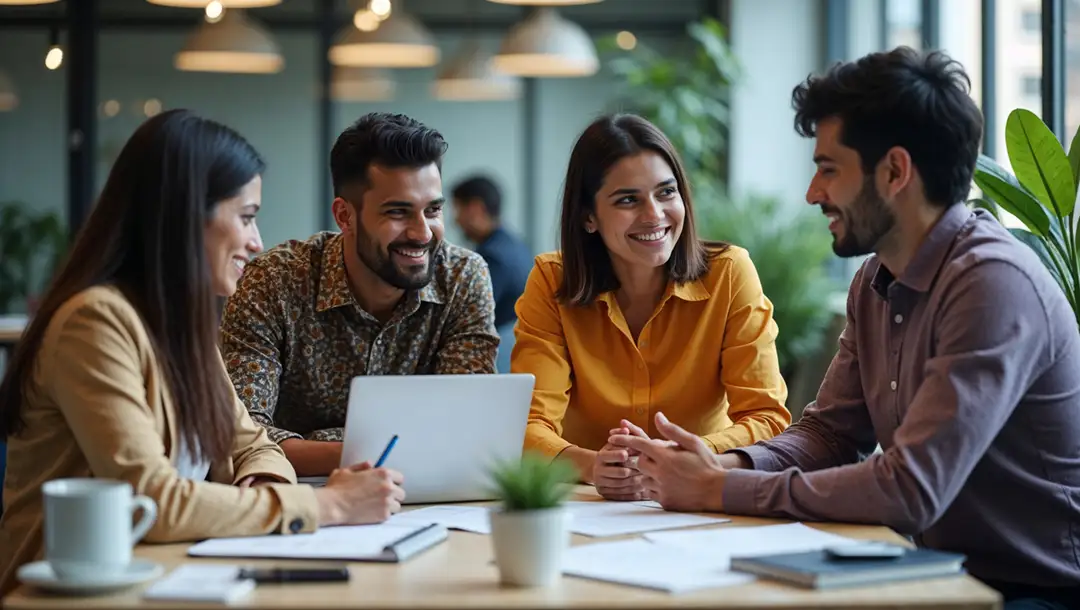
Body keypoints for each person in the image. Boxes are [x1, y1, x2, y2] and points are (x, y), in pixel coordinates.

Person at [610, 47, 1080, 609]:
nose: (813, 193)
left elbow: (910, 490)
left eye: (828, 168)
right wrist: (725, 463)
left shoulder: (992, 285)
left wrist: (719, 489)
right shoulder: (876, 279)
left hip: (1035, 592)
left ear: (895, 171)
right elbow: (830, 435)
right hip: (934, 573)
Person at [0, 110, 405, 595]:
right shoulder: (96, 322)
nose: (257, 242)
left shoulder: (177, 321)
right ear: (185, 215)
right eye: (247, 216)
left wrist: (262, 487)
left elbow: (252, 443)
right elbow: (150, 499)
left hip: (167, 575)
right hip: (78, 594)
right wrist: (327, 505)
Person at [512, 113, 791, 502]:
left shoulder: (729, 273)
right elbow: (527, 425)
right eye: (628, 199)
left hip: (700, 496)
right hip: (588, 505)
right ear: (588, 217)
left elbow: (768, 419)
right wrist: (593, 466)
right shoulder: (550, 281)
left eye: (666, 192)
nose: (655, 215)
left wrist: (680, 457)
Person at [221, 112, 499, 477]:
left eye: (432, 210)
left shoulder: (462, 276)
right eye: (398, 212)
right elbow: (240, 437)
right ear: (344, 216)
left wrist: (319, 444)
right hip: (299, 498)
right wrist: (383, 455)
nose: (423, 233)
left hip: (429, 498)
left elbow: (466, 430)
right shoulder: (274, 281)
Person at [451, 174, 532, 373]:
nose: (456, 220)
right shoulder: (515, 244)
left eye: (458, 209)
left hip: (502, 360)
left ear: (475, 208)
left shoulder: (491, 258)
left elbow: (468, 319)